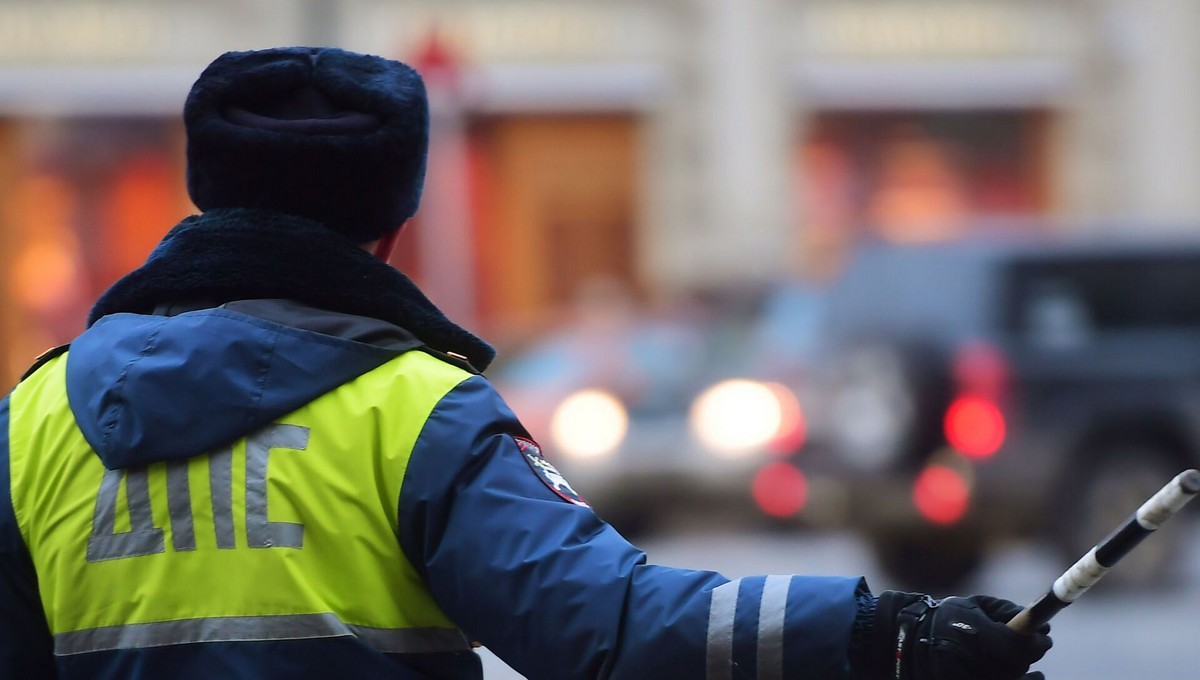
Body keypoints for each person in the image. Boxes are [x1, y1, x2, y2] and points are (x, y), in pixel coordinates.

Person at [0, 47, 1052, 680]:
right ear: (392, 223)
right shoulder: (416, 412)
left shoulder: (32, 415)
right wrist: (883, 632)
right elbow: (611, 626)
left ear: (207, 195)